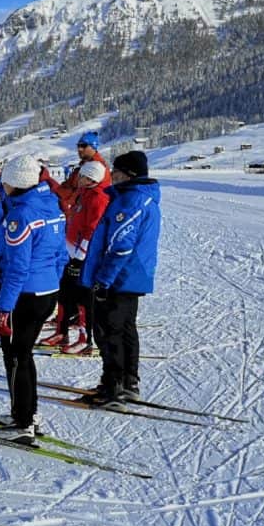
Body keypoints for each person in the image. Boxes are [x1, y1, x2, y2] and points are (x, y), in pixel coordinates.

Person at [0, 155, 67, 444]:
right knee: (23, 355)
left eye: (6, 179)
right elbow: (61, 255)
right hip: (46, 291)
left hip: (25, 295)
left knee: (16, 356)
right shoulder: (51, 206)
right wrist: (52, 283)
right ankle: (26, 413)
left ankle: (23, 423)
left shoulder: (20, 215)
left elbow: (17, 268)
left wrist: (3, 308)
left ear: (16, 182)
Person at [81, 150, 161, 409]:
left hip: (120, 278)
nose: (111, 175)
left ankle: (113, 386)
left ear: (128, 175)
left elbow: (121, 247)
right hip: (132, 276)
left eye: (115, 171)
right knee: (125, 329)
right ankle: (127, 381)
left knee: (108, 331)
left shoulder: (130, 201)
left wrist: (103, 280)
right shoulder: (136, 197)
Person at [40, 160, 110, 354]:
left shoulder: (98, 197)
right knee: (65, 294)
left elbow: (92, 230)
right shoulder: (83, 194)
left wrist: (80, 257)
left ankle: (85, 339)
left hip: (83, 256)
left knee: (82, 297)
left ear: (90, 178)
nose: (77, 179)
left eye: (81, 176)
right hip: (70, 251)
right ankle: (61, 332)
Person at [42, 131, 111, 215]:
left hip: (84, 214)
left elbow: (80, 194)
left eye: (83, 146)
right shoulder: (82, 167)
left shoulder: (97, 170)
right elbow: (66, 188)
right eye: (78, 146)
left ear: (94, 147)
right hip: (72, 212)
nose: (79, 149)